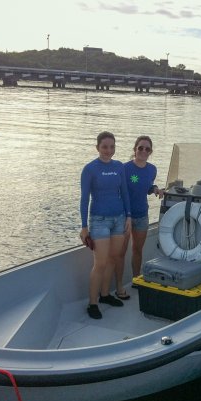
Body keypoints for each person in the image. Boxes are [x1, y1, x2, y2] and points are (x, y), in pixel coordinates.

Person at [80, 131, 132, 319]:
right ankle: (92, 303)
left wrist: (128, 216)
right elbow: (84, 199)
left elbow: (125, 192)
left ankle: (105, 295)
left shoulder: (119, 167)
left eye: (112, 147)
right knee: (100, 263)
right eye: (104, 147)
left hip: (119, 218)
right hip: (99, 220)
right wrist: (84, 227)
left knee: (113, 258)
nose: (108, 150)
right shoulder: (90, 169)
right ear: (97, 148)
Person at [116, 136, 164, 295]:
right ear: (135, 150)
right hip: (124, 217)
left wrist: (155, 189)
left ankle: (136, 279)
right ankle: (118, 286)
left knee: (138, 250)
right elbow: (119, 192)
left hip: (142, 215)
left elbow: (147, 187)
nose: (143, 151)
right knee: (121, 252)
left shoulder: (152, 169)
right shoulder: (124, 168)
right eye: (140, 148)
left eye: (147, 149)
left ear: (150, 152)